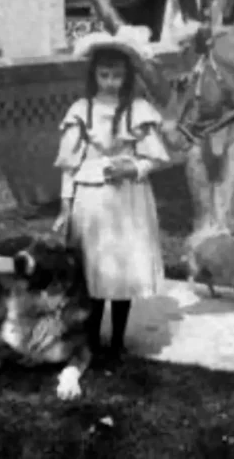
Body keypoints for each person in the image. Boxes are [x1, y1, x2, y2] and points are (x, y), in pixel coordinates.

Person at [52, 29, 174, 364]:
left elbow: (155, 157)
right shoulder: (82, 109)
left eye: (117, 75)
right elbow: (69, 164)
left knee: (121, 270)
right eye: (104, 75)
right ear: (93, 75)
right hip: (91, 201)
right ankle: (90, 337)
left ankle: (117, 340)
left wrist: (132, 169)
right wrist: (65, 205)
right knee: (94, 267)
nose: (110, 82)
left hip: (127, 200)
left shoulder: (137, 109)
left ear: (127, 76)